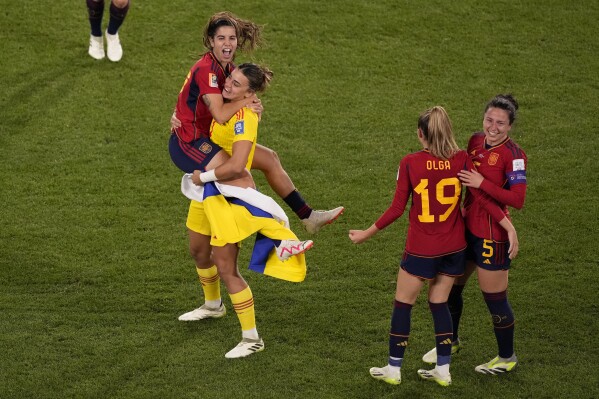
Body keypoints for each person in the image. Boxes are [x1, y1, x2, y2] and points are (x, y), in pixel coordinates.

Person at [349, 106, 518, 386]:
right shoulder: (462, 159)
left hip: (421, 248)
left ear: (420, 134)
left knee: (403, 304)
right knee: (439, 303)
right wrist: (508, 225)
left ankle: (393, 368)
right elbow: (482, 198)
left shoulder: (410, 162)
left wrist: (366, 233)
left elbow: (396, 209)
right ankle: (443, 369)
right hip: (454, 248)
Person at [177, 63, 313, 359]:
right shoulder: (224, 102)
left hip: (227, 193)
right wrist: (179, 120)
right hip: (207, 194)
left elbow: (237, 166)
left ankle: (251, 338)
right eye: (230, 80)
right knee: (199, 251)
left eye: (237, 85)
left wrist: (203, 177)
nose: (228, 86)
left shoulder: (245, 117)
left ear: (250, 93)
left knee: (226, 266)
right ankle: (213, 306)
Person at [170, 11, 343, 235]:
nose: (227, 43)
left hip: (209, 136)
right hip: (189, 142)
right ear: (211, 41)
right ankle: (278, 239)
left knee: (270, 159)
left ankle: (308, 216)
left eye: (232, 38)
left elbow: (235, 97)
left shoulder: (229, 69)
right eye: (221, 38)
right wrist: (246, 102)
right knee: (240, 177)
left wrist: (250, 102)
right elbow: (222, 115)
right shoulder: (207, 70)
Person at [421, 94, 527, 375]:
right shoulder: (474, 141)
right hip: (464, 229)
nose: (493, 127)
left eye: (500, 123)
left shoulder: (514, 157)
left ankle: (507, 357)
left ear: (510, 126)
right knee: (451, 287)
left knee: (495, 299)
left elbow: (517, 200)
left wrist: (481, 183)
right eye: (489, 120)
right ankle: (452, 341)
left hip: (492, 234)